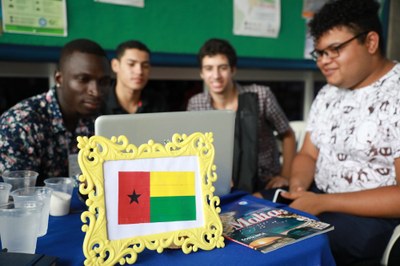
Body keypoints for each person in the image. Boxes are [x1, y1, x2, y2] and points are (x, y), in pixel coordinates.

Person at [280, 0, 400, 264]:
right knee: (249, 208)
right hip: (316, 197)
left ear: (370, 42)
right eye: (320, 53)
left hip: (366, 219)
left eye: (334, 50)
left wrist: (322, 203)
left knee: (286, 247)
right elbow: (307, 155)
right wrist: (299, 187)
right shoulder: (327, 94)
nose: (324, 61)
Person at [187, 38, 296, 194]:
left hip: (265, 184)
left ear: (233, 70)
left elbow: (287, 134)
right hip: (222, 185)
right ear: (201, 73)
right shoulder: (196, 104)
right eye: (209, 68)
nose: (216, 75)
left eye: (222, 68)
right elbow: (195, 150)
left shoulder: (261, 95)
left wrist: (285, 176)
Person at [0, 39, 111, 185]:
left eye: (103, 82)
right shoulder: (20, 124)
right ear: (59, 79)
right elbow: (15, 199)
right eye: (83, 79)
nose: (96, 92)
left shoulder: (98, 120)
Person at [102, 40, 167, 114]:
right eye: (131, 64)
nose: (139, 71)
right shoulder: (100, 103)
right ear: (115, 65)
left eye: (145, 66)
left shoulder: (157, 102)